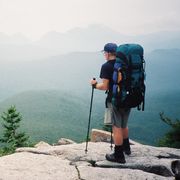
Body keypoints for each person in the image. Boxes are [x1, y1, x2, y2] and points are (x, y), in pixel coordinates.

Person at [90, 43, 131, 163]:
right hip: (128, 98)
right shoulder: (125, 64)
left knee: (116, 126)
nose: (104, 55)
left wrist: (94, 85)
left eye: (104, 53)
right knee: (123, 124)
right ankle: (126, 149)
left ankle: (118, 155)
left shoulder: (106, 66)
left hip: (115, 99)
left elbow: (105, 86)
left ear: (108, 53)